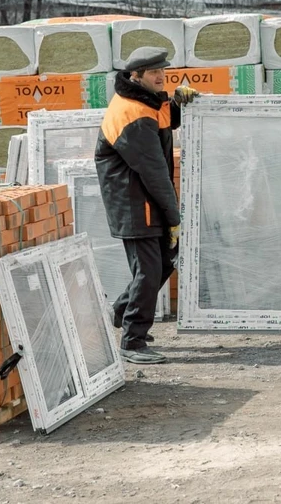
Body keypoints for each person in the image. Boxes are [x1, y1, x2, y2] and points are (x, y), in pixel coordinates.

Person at [95, 47, 198, 365]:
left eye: (163, 72)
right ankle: (133, 341)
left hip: (145, 200)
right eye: (154, 73)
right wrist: (174, 217)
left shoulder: (148, 101)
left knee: (164, 262)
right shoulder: (132, 115)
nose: (161, 77)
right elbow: (154, 172)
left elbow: (164, 125)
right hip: (133, 204)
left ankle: (122, 312)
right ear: (135, 76)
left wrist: (177, 105)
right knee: (149, 271)